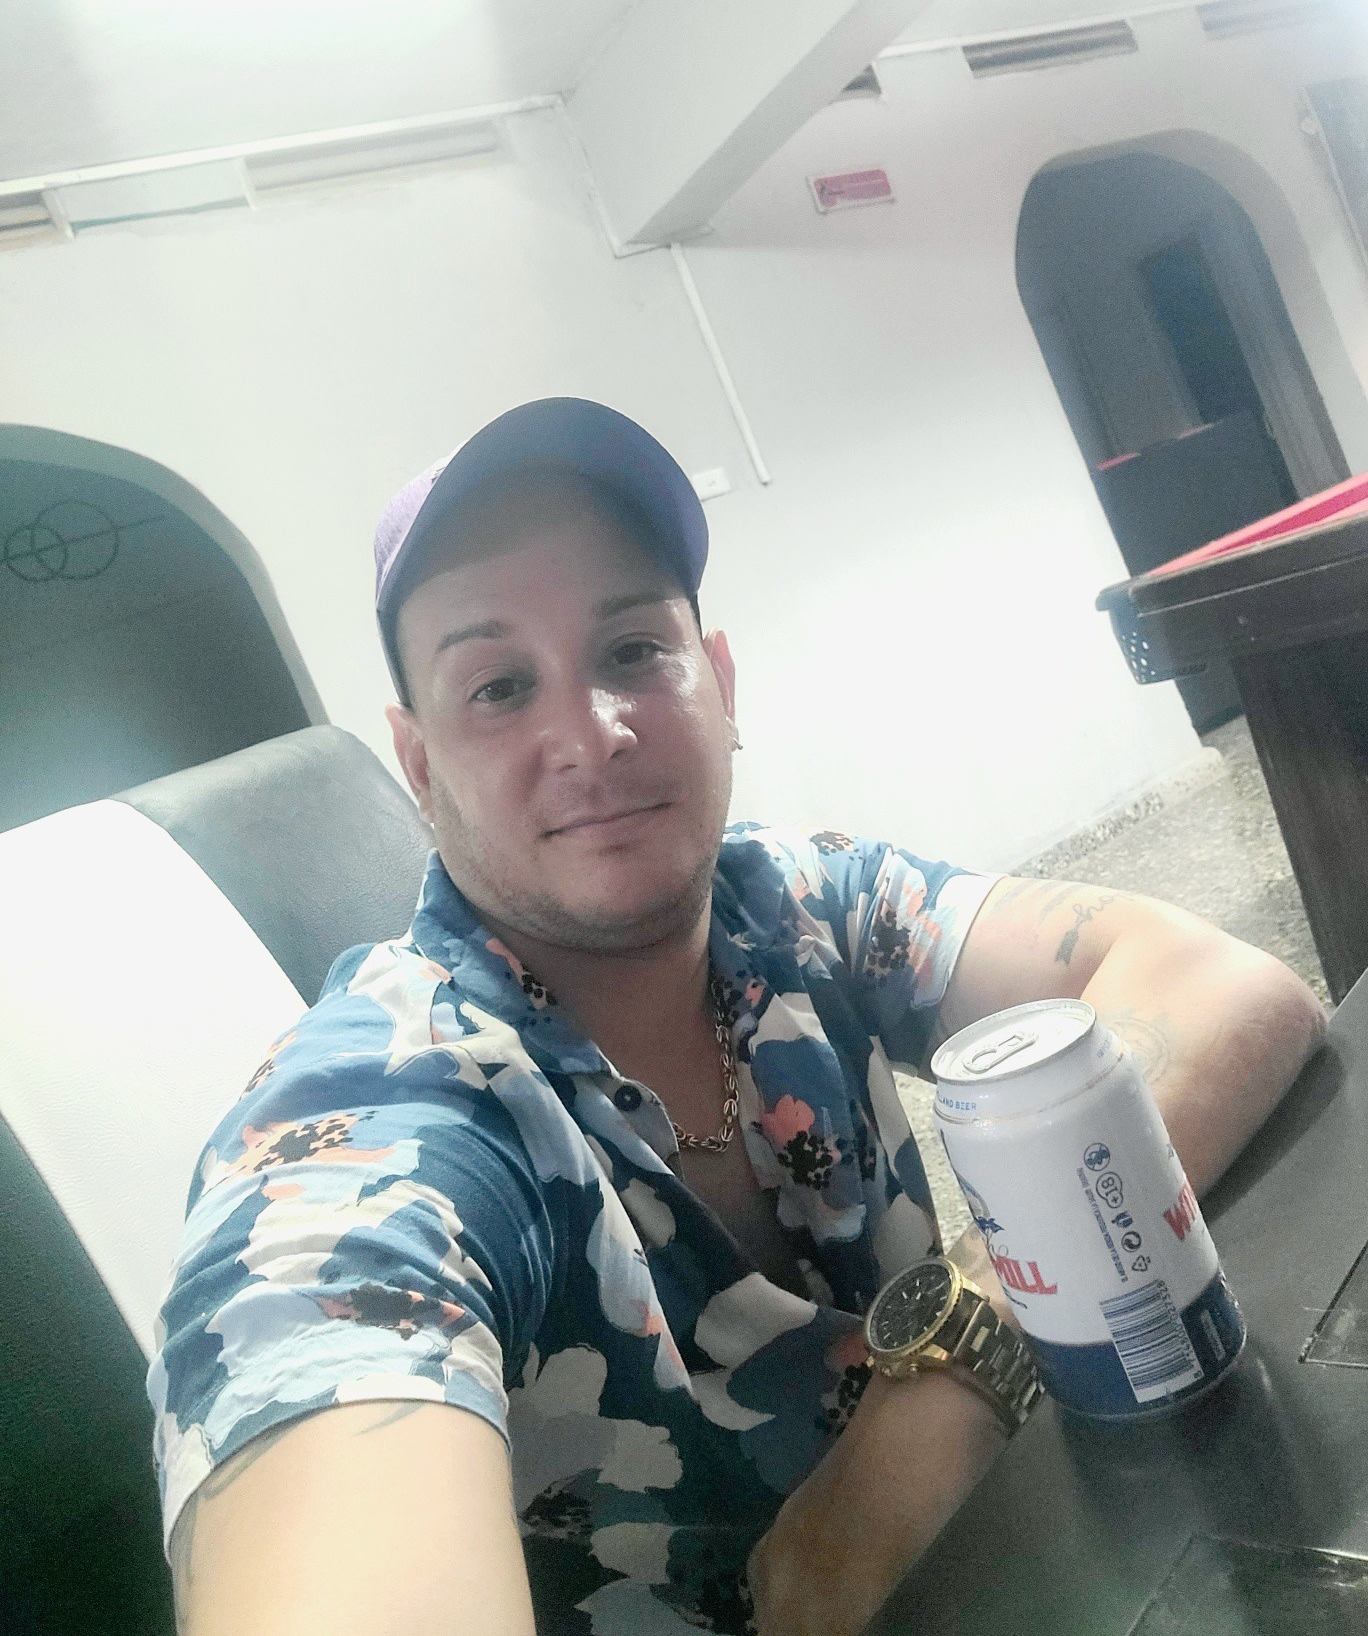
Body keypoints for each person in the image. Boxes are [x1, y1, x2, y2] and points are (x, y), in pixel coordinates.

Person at [150, 398, 1324, 1636]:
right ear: (420, 764)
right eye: (499, 686)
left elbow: (1224, 986)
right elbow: (316, 1356)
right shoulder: (378, 1121)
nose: (593, 734)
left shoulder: (796, 900)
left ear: (716, 682)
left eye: (630, 652)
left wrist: (941, 1386)